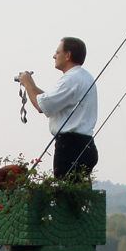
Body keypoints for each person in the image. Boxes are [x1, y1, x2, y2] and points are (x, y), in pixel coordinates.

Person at [18, 37, 98, 181]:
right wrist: (31, 85)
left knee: (64, 195)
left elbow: (42, 106)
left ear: (68, 55)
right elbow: (50, 100)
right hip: (86, 145)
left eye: (57, 52)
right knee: (77, 196)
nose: (54, 56)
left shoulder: (71, 78)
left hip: (70, 147)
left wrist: (28, 83)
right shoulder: (85, 77)